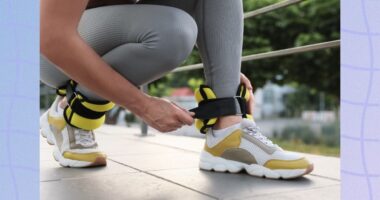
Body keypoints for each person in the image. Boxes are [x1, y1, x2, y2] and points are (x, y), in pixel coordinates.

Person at [40, 0, 313, 179]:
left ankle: (228, 132)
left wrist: (223, 71)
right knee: (172, 32)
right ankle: (71, 114)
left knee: (176, 27)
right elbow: (52, 36)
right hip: (48, 43)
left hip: (103, 25)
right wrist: (143, 105)